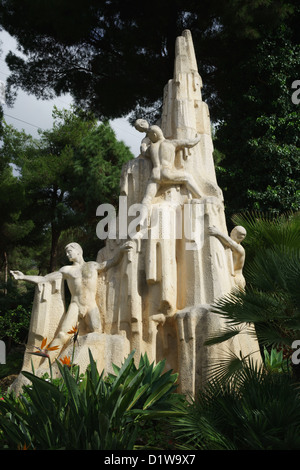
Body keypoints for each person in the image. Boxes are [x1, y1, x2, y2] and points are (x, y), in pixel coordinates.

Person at [10, 241, 133, 358]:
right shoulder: (66, 270)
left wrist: (121, 251)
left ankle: (88, 361)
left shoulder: (93, 265)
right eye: (66, 252)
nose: (67, 254)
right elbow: (45, 279)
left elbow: (111, 262)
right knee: (62, 335)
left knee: (97, 331)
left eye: (69, 251)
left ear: (78, 251)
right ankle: (45, 365)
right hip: (76, 305)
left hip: (91, 306)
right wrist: (23, 277)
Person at [134, 120, 221, 224]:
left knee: (147, 198)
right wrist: (198, 138)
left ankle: (142, 219)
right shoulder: (171, 143)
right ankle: (201, 197)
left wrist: (143, 143)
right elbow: (189, 143)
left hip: (155, 174)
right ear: (158, 133)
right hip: (167, 173)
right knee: (187, 178)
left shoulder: (152, 148)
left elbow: (143, 151)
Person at [208, 225, 247, 290]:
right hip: (236, 278)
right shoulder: (236, 247)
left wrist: (218, 233)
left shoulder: (240, 249)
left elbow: (230, 242)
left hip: (236, 279)